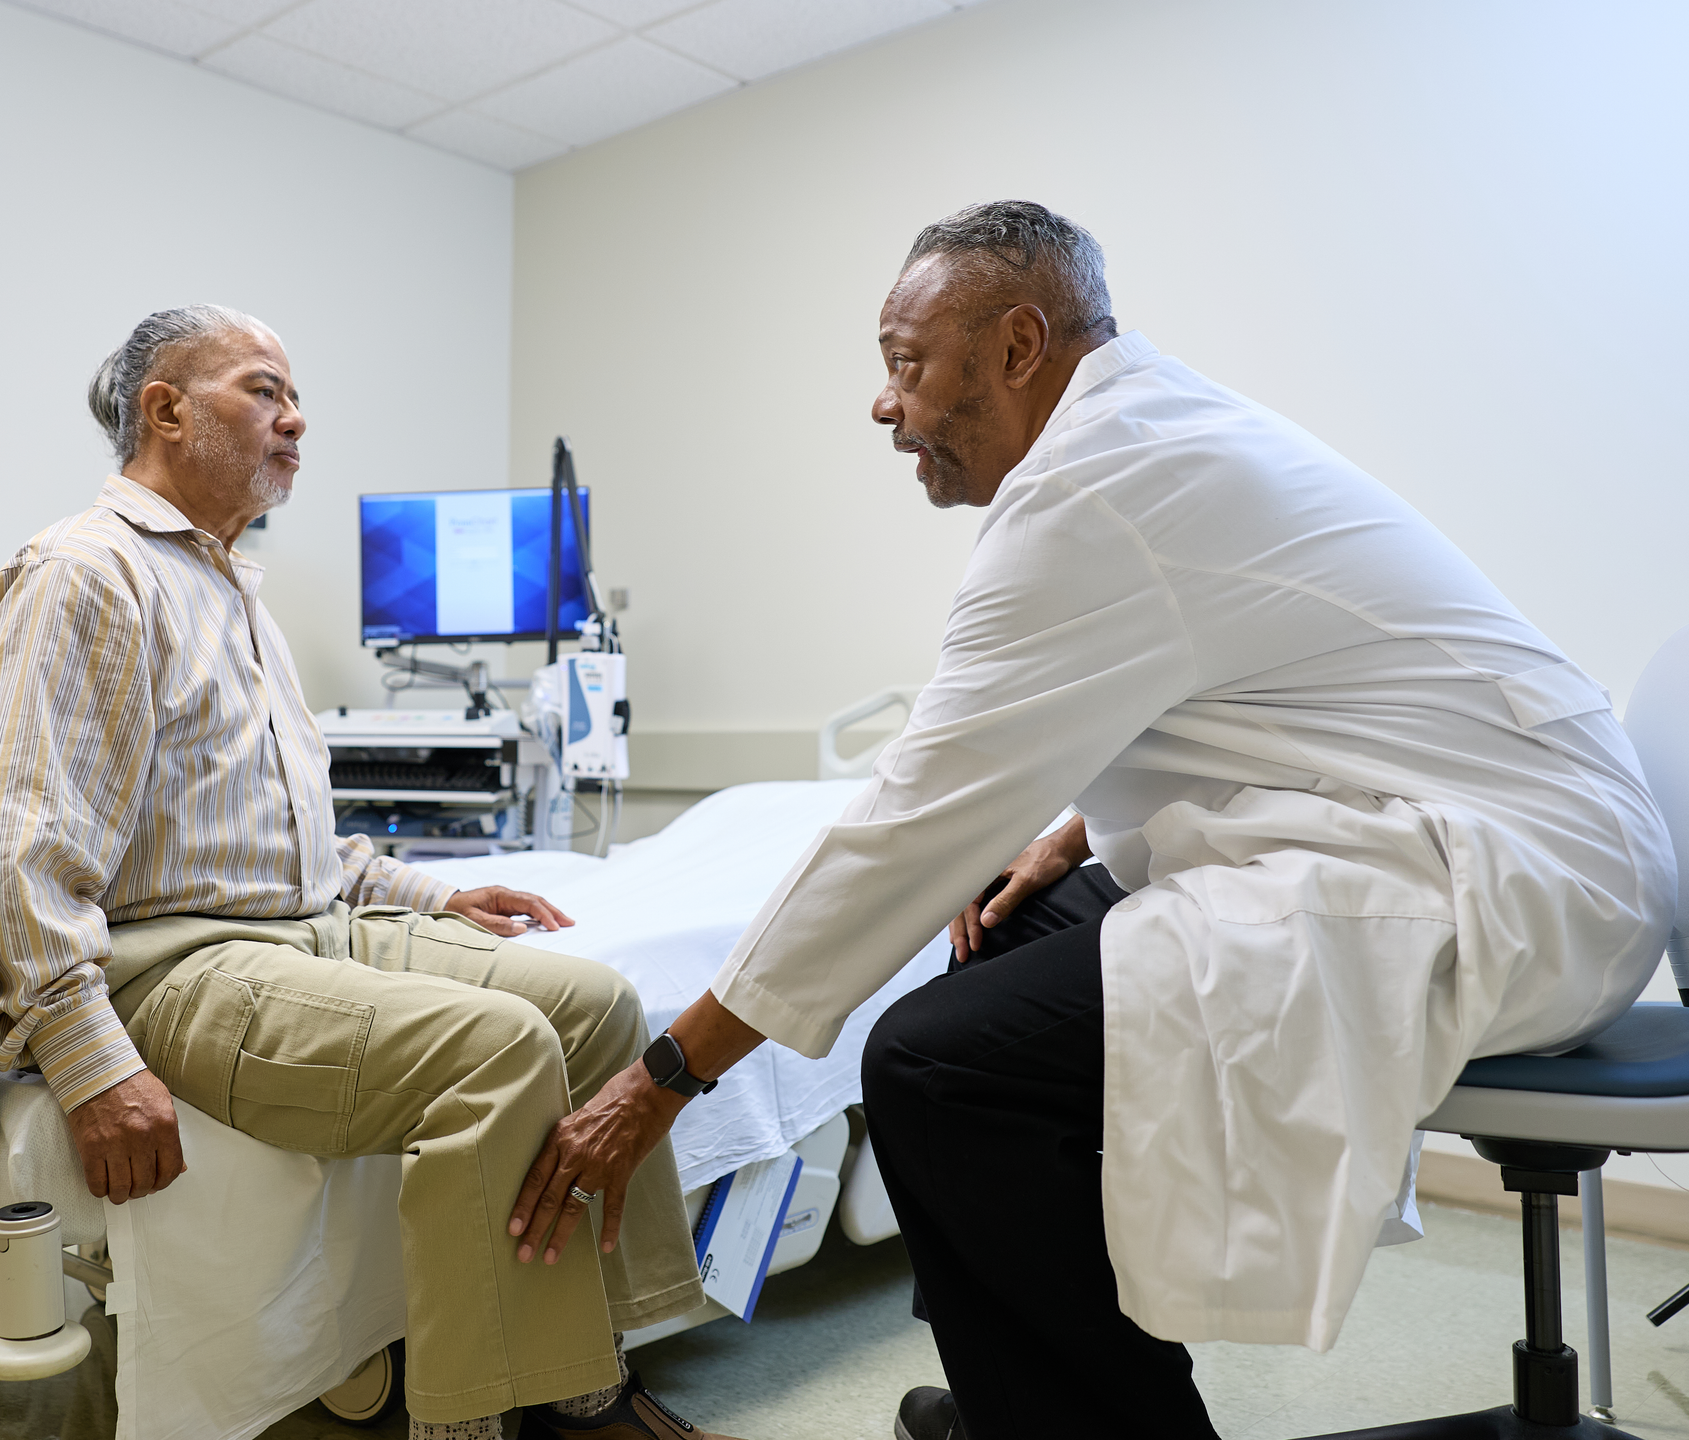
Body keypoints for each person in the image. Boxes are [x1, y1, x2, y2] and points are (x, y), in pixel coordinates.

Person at [504, 203, 1675, 1439]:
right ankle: (1037, 1397)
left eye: (907, 362)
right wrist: (1067, 828)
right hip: (1457, 826)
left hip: (1522, 884)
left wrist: (668, 1072)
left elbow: (904, 828)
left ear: (1017, 347)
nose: (883, 404)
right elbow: (1243, 692)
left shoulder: (1098, 490)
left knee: (931, 1062)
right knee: (1005, 926)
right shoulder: (1143, 437)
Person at [0, 305, 739, 1440]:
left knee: (594, 1003)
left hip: (300, 927)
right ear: (165, 410)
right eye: (264, 390)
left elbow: (293, 843)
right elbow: (21, 850)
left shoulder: (233, 593)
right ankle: (470, 1414)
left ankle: (586, 1372)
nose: (297, 418)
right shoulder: (84, 574)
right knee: (500, 1050)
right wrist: (84, 1062)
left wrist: (432, 895)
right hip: (169, 961)